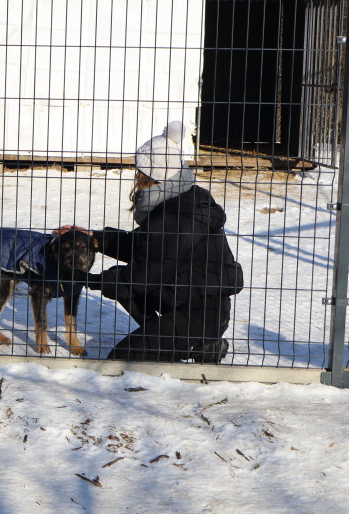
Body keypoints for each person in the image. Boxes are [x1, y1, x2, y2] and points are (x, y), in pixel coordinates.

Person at [80, 121, 243, 363]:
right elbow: (145, 249)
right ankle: (173, 341)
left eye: (140, 172)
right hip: (196, 304)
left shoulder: (173, 218)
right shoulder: (185, 200)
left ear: (152, 176)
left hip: (198, 316)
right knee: (122, 284)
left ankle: (197, 346)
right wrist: (94, 239)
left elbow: (142, 275)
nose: (137, 177)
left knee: (120, 360)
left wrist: (89, 280)